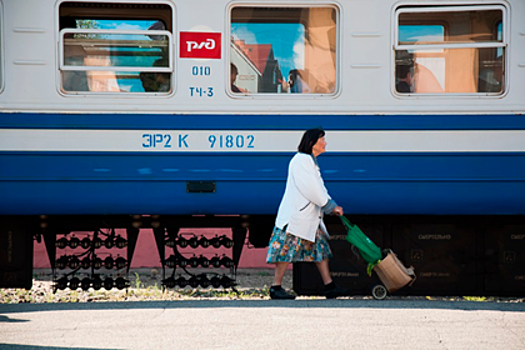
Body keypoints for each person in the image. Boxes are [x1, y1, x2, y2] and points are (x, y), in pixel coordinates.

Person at [266, 128, 350, 300]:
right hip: (296, 218)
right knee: (284, 251)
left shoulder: (309, 161)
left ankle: (329, 286)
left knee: (321, 251)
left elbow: (319, 188)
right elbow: (311, 189)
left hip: (308, 219)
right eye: (322, 140)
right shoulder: (301, 161)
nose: (325, 143)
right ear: (312, 143)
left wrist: (331, 204)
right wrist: (330, 206)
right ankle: (276, 287)